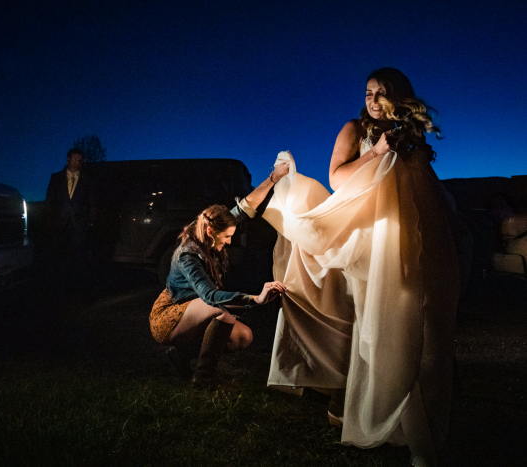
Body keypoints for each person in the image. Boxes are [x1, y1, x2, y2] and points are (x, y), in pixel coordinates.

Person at [262, 68, 463, 466]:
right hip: (371, 239)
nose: (372, 99)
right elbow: (337, 179)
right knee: (381, 328)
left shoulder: (411, 133)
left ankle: (417, 425)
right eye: (369, 92)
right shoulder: (355, 129)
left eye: (381, 92)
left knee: (423, 325)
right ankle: (391, 423)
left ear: (398, 96)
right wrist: (376, 152)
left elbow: (422, 184)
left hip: (414, 234)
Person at [149, 165, 290, 387]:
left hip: (195, 311)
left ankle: (181, 356)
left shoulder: (210, 226)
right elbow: (210, 297)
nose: (229, 241)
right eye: (226, 236)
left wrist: (273, 178)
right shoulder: (188, 255)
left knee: (243, 336)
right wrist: (256, 299)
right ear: (210, 232)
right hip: (170, 316)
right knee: (223, 312)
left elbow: (246, 206)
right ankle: (203, 377)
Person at [45, 148, 91, 276]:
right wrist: (50, 221)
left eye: (80, 159)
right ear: (68, 159)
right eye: (75, 158)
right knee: (58, 255)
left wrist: (88, 222)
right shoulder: (56, 178)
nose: (78, 161)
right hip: (59, 224)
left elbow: (91, 202)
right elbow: (50, 201)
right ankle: (58, 280)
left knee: (77, 256)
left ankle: (75, 283)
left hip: (79, 225)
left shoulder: (87, 180)